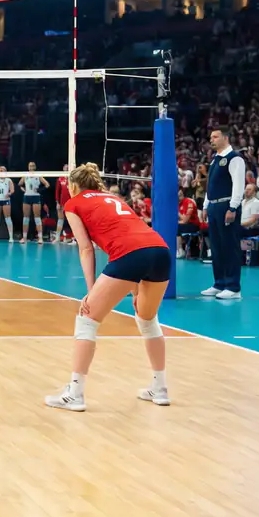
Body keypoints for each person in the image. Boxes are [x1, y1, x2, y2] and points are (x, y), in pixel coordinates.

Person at [45, 163, 173, 412]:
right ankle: (160, 388)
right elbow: (129, 235)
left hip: (132, 254)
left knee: (86, 318)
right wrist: (135, 289)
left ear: (73, 186)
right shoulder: (112, 197)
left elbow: (85, 248)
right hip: (160, 251)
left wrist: (91, 292)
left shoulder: (74, 203)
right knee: (147, 320)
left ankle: (75, 393)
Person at [202, 126, 247, 300]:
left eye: (215, 136)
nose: (211, 139)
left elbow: (238, 185)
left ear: (225, 138)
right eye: (211, 137)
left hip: (226, 205)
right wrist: (206, 205)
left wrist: (233, 207)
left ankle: (233, 287)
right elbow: (210, 186)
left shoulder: (234, 159)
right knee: (217, 247)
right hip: (214, 206)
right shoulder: (215, 159)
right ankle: (219, 283)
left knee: (230, 246)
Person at [19, 162, 47, 243]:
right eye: (30, 165)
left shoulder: (38, 175)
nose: (31, 167)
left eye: (32, 166)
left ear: (34, 167)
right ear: (28, 167)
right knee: (26, 217)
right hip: (27, 196)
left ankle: (40, 237)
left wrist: (39, 190)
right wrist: (23, 189)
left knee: (37, 217)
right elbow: (20, 184)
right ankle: (24, 237)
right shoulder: (25, 175)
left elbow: (47, 184)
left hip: (36, 196)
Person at [52, 164, 73, 243]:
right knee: (60, 219)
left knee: (72, 220)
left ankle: (74, 238)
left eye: (68, 167)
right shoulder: (60, 179)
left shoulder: (73, 179)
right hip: (62, 203)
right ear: (63, 169)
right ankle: (57, 237)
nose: (67, 168)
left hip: (71, 203)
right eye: (65, 167)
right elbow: (57, 192)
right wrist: (57, 202)